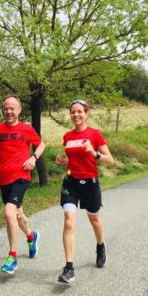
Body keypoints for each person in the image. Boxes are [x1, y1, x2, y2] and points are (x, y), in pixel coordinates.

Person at [0, 94, 46, 275]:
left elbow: (41, 144)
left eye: (12, 108)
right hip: (4, 179)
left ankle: (12, 257)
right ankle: (32, 237)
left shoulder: (26, 129)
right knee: (17, 214)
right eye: (6, 108)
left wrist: (34, 157)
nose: (9, 111)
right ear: (3, 110)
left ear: (19, 110)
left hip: (21, 177)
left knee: (9, 212)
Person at [55, 99, 114, 283]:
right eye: (73, 112)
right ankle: (69, 268)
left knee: (94, 220)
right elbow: (71, 158)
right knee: (69, 222)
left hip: (90, 184)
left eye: (80, 111)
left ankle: (100, 246)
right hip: (71, 183)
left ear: (87, 113)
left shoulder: (95, 135)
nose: (76, 115)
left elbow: (110, 160)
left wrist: (94, 153)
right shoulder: (67, 136)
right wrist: (64, 162)